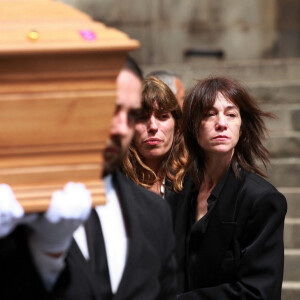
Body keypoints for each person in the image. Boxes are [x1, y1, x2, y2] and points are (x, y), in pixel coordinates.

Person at [0, 58, 178, 300]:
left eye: (132, 114)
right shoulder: (18, 207)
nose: (121, 128)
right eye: (109, 109)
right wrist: (48, 255)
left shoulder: (154, 212)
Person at [171, 76, 287, 299]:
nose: (221, 123)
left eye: (231, 114)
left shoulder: (262, 200)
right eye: (209, 114)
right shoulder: (180, 191)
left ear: (241, 128)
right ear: (194, 128)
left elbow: (258, 292)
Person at [121, 76, 186, 200]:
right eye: (142, 117)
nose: (153, 126)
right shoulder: (113, 182)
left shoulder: (194, 182)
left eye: (162, 116)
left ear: (177, 127)